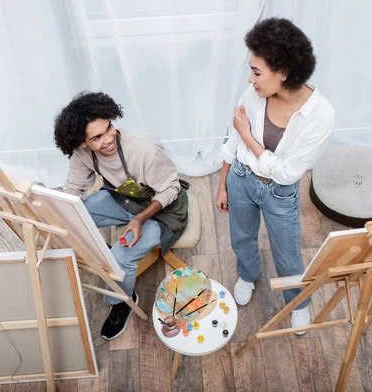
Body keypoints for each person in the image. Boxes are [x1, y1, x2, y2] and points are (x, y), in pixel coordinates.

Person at [216, 18, 334, 333]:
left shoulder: (320, 115)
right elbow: (233, 140)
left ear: (282, 73)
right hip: (240, 178)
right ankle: (248, 274)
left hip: (279, 192)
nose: (250, 79)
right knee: (241, 235)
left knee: (287, 253)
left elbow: (286, 173)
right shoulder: (254, 92)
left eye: (257, 72)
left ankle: (298, 302)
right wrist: (223, 185)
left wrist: (249, 137)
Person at [54, 91, 188, 340]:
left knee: (119, 260)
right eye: (97, 137)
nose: (108, 139)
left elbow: (172, 188)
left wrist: (138, 220)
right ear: (82, 142)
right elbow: (74, 190)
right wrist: (53, 200)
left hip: (165, 211)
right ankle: (105, 251)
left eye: (109, 128)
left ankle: (123, 301)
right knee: (74, 216)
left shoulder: (142, 149)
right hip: (126, 199)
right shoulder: (82, 153)